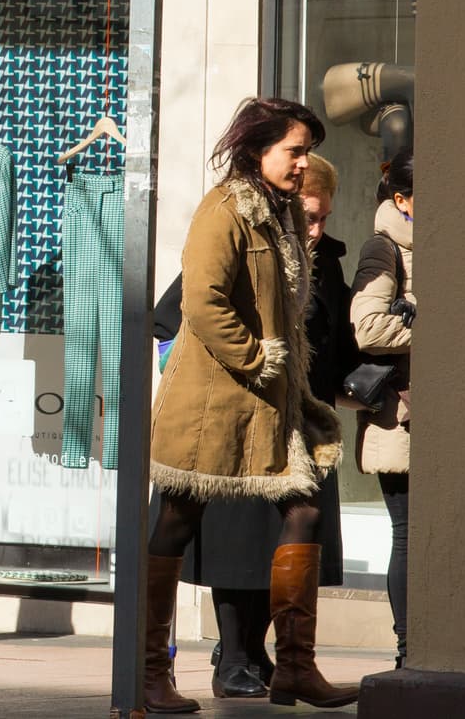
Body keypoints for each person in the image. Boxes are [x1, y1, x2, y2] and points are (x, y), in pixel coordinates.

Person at [144, 98, 358, 713]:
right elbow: (202, 299)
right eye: (295, 150)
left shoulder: (282, 214)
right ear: (258, 148)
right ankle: (149, 670)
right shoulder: (225, 209)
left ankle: (294, 668)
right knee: (177, 521)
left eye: (307, 152)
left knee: (305, 510)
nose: (303, 162)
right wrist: (257, 357)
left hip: (272, 406)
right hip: (211, 404)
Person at [350, 148, 414, 669]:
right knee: (409, 534)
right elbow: (368, 328)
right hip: (400, 419)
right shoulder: (383, 247)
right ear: (402, 199)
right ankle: (408, 650)